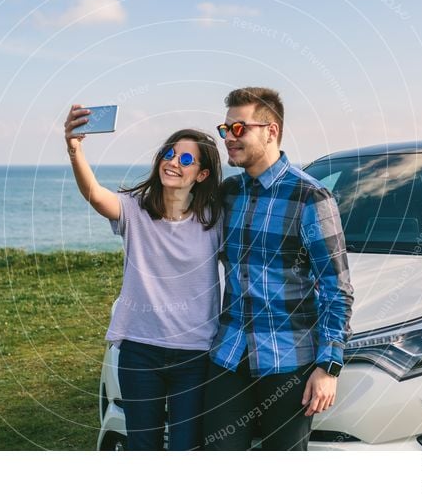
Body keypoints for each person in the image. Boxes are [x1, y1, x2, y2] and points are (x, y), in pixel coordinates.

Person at [203, 87, 354, 451]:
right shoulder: (228, 193)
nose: (229, 139)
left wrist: (328, 366)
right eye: (226, 130)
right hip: (228, 355)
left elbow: (337, 290)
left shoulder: (309, 197)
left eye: (239, 129)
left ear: (271, 131)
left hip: (288, 362)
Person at [64, 105, 223, 450]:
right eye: (169, 153)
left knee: (185, 448)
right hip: (140, 351)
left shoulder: (215, 219)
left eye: (185, 160)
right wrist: (75, 149)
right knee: (143, 447)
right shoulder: (135, 209)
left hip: (194, 355)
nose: (172, 162)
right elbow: (94, 194)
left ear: (202, 175)